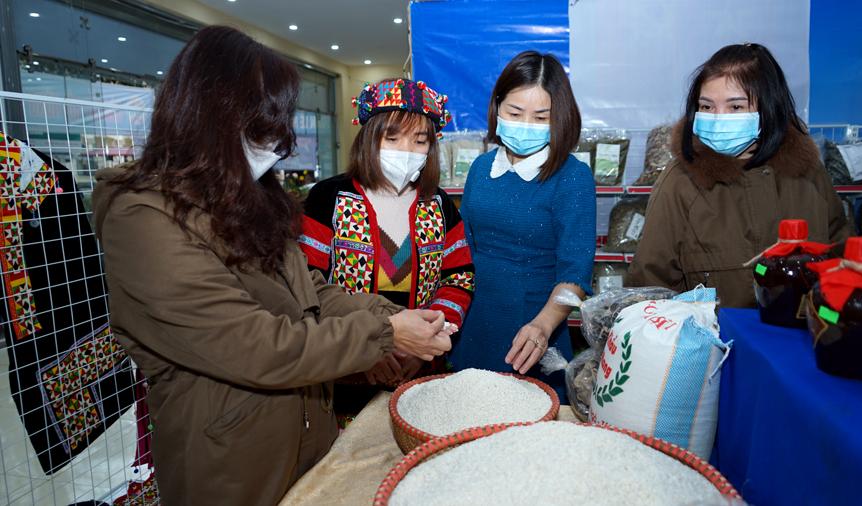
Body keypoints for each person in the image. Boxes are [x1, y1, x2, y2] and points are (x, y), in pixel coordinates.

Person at [92, 26, 452, 506]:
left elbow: (314, 292)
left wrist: (390, 318)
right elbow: (254, 345)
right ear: (210, 113)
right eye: (265, 122)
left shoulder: (249, 197)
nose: (279, 142)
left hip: (307, 431)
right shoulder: (142, 217)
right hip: (232, 461)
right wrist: (387, 336)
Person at [626, 43, 849, 306]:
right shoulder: (681, 182)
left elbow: (841, 258)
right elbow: (650, 285)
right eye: (707, 107)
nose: (719, 118)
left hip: (800, 342)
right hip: (716, 345)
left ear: (769, 107)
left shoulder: (808, 173)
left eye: (735, 107)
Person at [299, 78, 474, 390]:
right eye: (392, 138)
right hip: (343, 370)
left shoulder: (439, 205)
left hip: (421, 371)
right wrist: (372, 348)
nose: (406, 151)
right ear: (369, 138)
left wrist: (424, 344)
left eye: (420, 141)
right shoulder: (328, 197)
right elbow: (307, 284)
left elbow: (458, 280)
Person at [452, 51, 596, 399]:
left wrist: (544, 324)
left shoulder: (572, 177)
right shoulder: (481, 169)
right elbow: (464, 252)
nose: (525, 124)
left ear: (558, 118)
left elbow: (575, 276)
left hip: (532, 335)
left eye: (540, 117)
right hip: (473, 324)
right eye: (515, 113)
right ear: (497, 107)